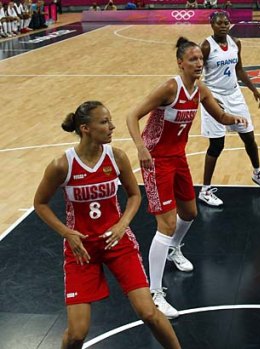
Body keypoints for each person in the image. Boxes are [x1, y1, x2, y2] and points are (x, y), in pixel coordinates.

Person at [33, 101, 181, 349]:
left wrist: (123, 224)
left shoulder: (116, 157)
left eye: (110, 120)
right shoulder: (62, 165)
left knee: (149, 313)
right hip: (82, 249)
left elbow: (135, 195)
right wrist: (66, 232)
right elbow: (40, 203)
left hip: (117, 243)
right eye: (104, 122)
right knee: (77, 334)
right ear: (85, 128)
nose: (112, 127)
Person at [126, 37, 247, 319]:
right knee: (166, 224)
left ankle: (174, 249)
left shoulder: (200, 90)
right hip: (156, 160)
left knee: (190, 213)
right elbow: (132, 115)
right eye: (192, 60)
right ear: (180, 63)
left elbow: (219, 115)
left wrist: (236, 119)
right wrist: (141, 148)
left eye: (200, 60)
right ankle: (155, 293)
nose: (198, 64)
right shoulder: (170, 88)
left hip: (178, 158)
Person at [198, 11, 260, 207]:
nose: (224, 25)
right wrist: (209, 98)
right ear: (211, 24)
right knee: (217, 145)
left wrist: (254, 90)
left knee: (249, 137)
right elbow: (195, 76)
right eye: (219, 23)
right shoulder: (205, 47)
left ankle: (257, 173)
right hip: (213, 96)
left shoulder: (235, 43)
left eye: (226, 22)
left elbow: (239, 69)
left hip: (234, 94)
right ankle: (205, 190)